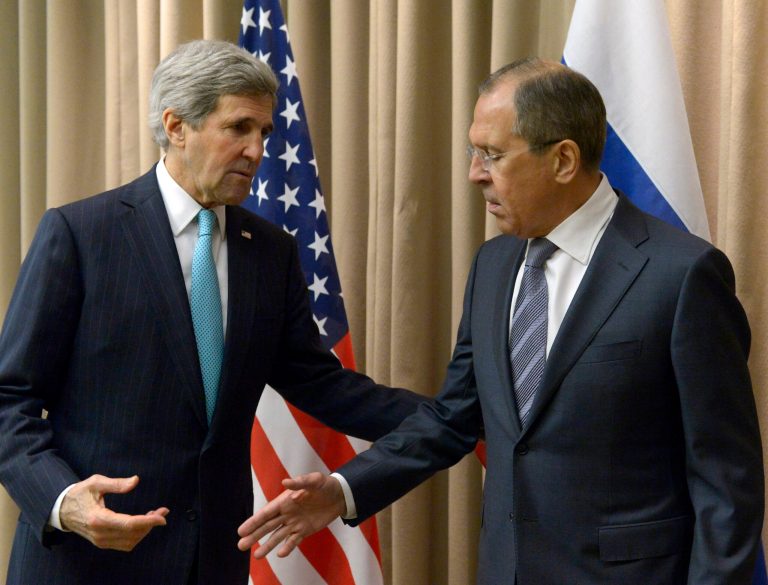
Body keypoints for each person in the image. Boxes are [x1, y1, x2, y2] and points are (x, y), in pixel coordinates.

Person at [237, 58, 765, 584]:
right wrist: (344, 489)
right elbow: (454, 417)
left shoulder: (681, 274)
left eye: (492, 155)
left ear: (562, 160)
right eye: (474, 152)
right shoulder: (493, 266)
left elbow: (726, 479)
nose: (474, 174)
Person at [0, 39, 427, 585]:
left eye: (265, 133)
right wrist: (63, 501)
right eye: (239, 128)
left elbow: (324, 387)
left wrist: (454, 418)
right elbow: (12, 399)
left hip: (212, 563)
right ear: (177, 126)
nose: (256, 150)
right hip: (87, 561)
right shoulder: (82, 234)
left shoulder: (270, 251)